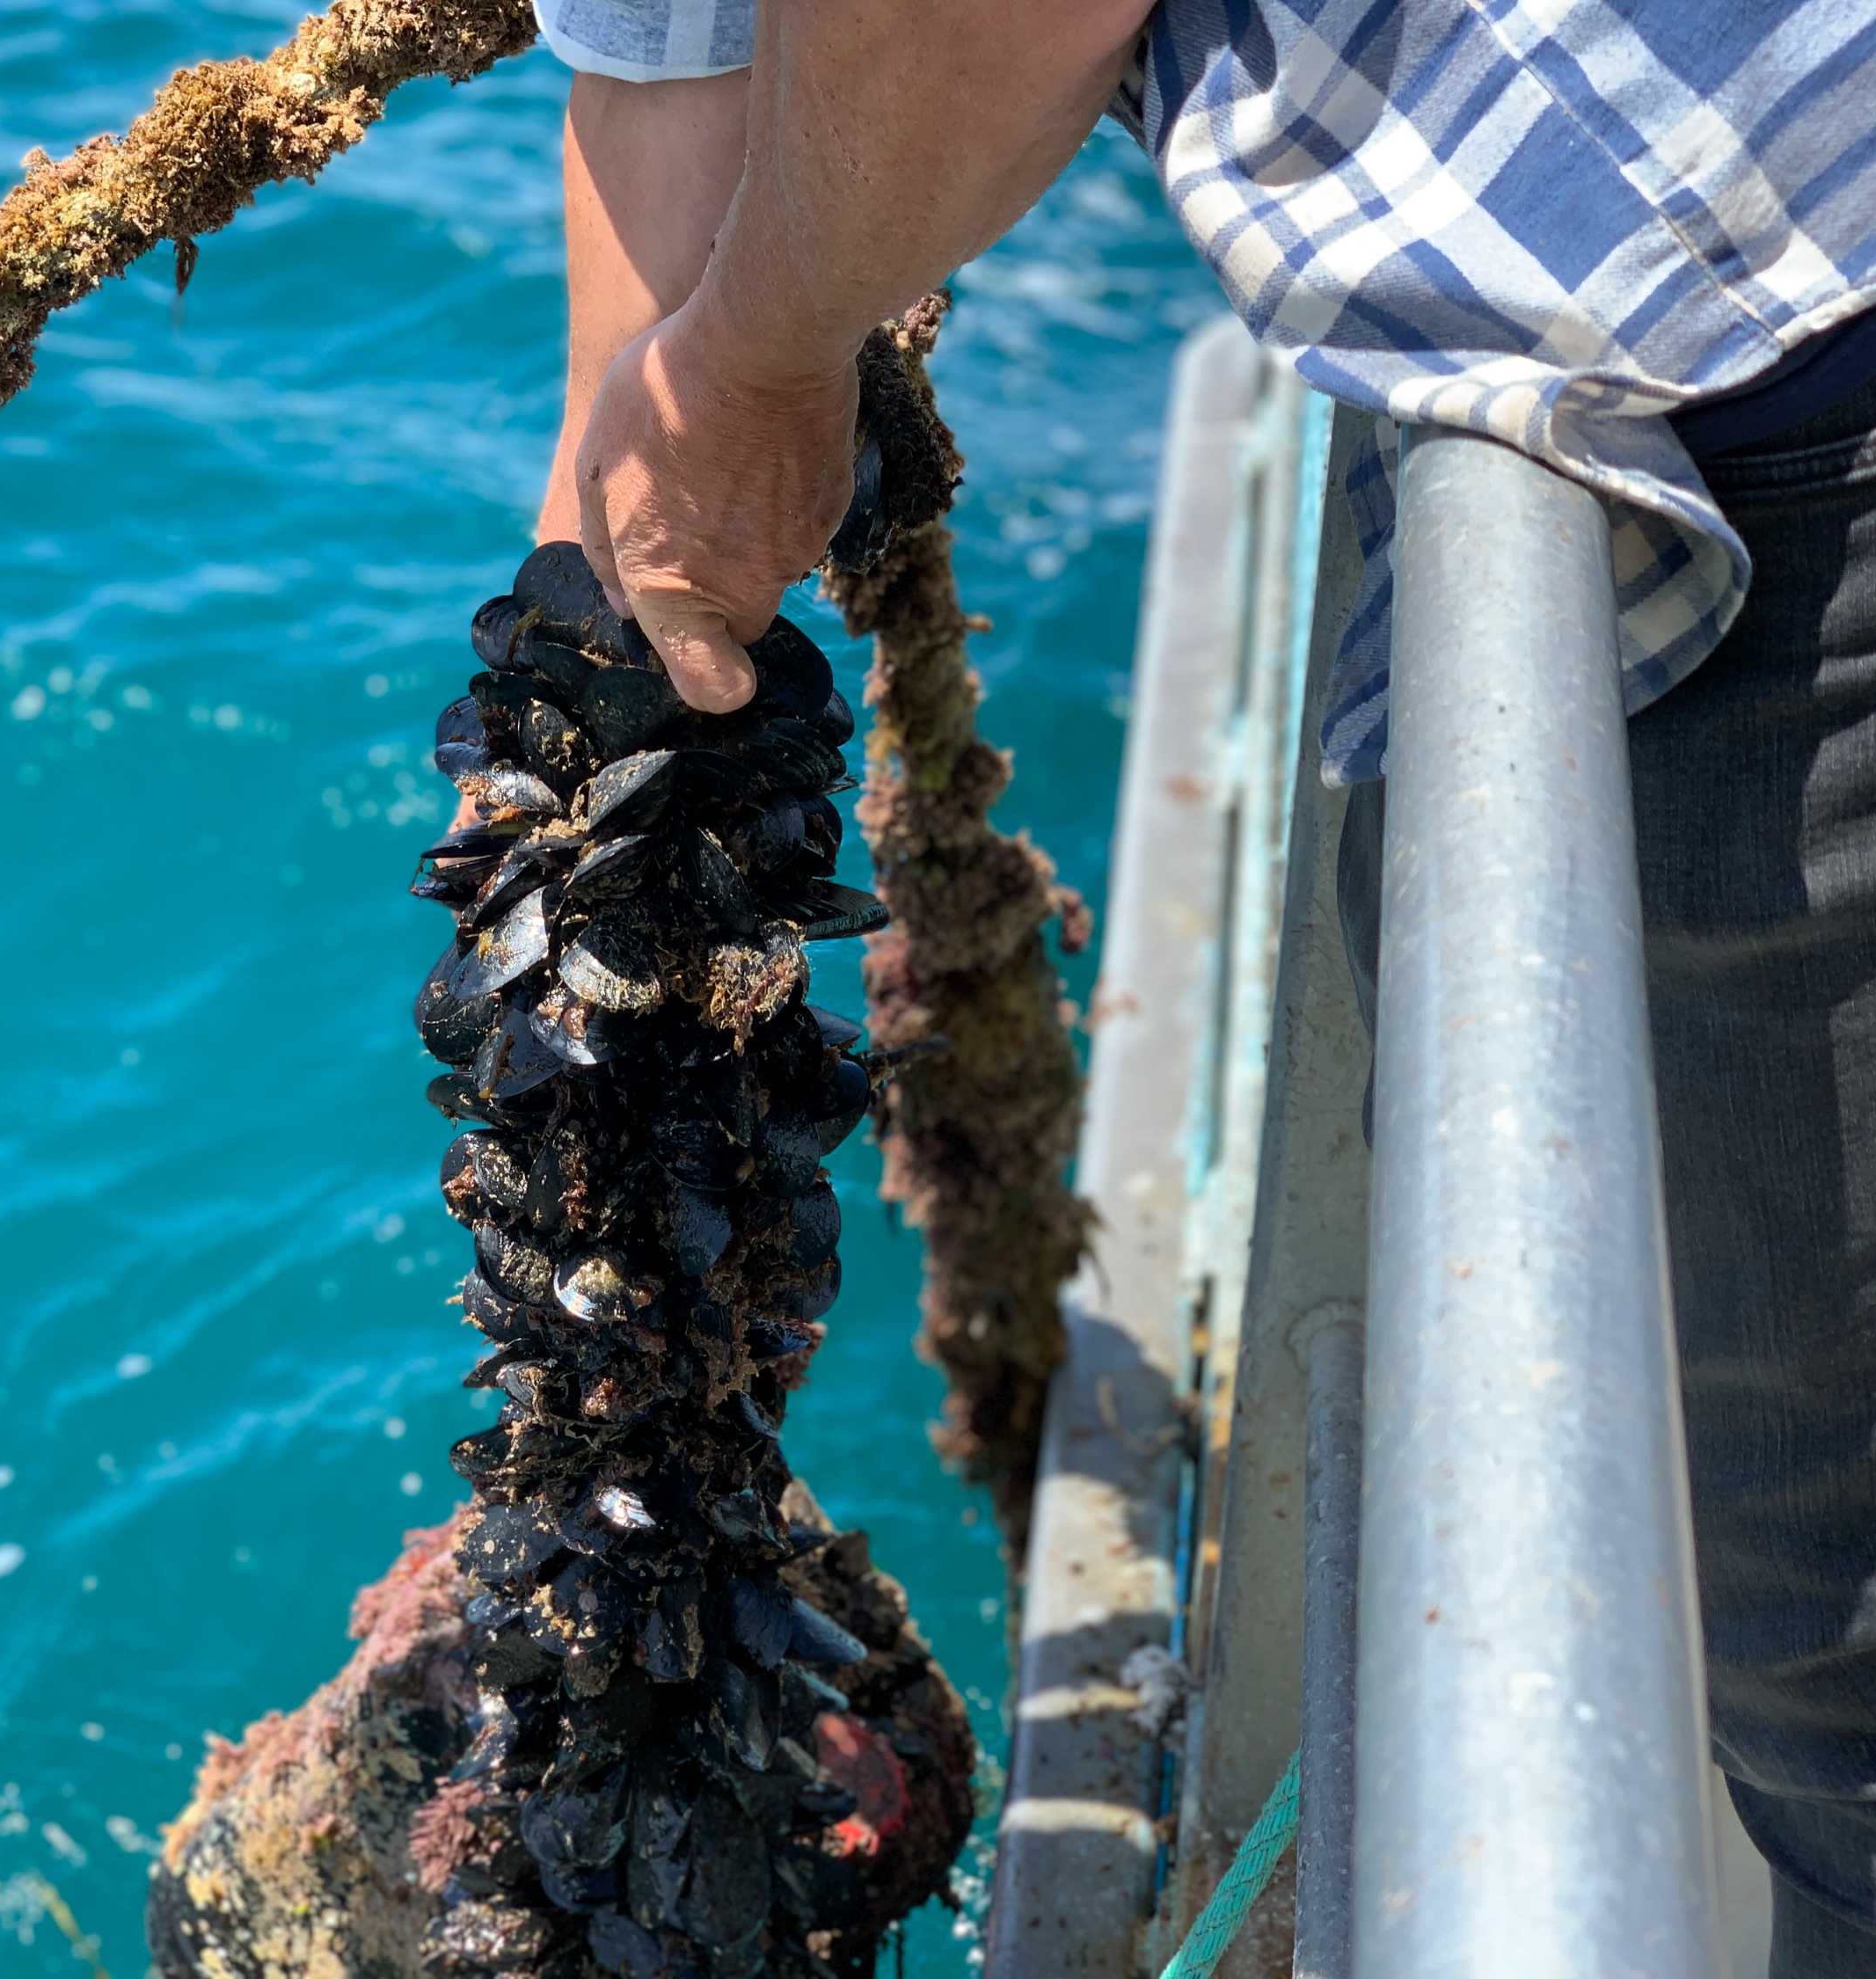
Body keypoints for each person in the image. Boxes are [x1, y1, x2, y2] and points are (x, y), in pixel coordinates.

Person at [525, 4, 1876, 1974]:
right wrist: (589, 740)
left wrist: (748, 366)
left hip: (1789, 355)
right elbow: (671, 64)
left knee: (1846, 1725)